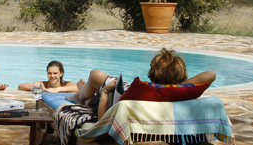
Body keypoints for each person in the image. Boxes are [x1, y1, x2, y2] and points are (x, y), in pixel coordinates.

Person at [66, 48, 216, 119]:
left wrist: (105, 91)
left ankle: (78, 96)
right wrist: (176, 84)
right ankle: (84, 94)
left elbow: (103, 121)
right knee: (90, 93)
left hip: (115, 98)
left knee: (95, 74)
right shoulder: (180, 91)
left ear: (153, 73)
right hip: (140, 94)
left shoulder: (141, 89)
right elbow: (211, 74)